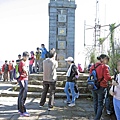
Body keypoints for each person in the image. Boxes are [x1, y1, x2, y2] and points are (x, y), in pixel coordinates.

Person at [90, 54, 113, 120]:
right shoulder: (104, 67)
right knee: (101, 104)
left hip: (93, 86)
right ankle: (97, 118)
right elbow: (107, 77)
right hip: (102, 87)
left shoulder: (93, 66)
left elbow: (91, 76)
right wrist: (112, 77)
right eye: (107, 60)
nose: (107, 61)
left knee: (95, 102)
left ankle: (97, 116)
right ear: (103, 59)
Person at [17, 51, 30, 117]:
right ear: (25, 56)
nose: (27, 58)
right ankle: (23, 111)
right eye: (27, 56)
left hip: (21, 79)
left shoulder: (21, 62)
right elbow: (25, 71)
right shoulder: (23, 63)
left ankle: (19, 109)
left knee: (20, 95)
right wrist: (27, 73)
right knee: (23, 96)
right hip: (23, 79)